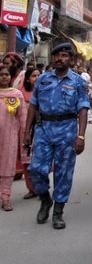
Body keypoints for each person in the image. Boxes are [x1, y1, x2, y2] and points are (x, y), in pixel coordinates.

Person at [23, 43, 89, 229]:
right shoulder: (42, 80)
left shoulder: (77, 82)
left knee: (63, 173)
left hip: (66, 131)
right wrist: (27, 132)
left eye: (64, 55)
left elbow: (83, 110)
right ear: (53, 58)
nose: (60, 58)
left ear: (71, 60)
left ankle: (58, 212)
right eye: (57, 55)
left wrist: (81, 136)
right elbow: (33, 106)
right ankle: (45, 200)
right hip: (43, 130)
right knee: (36, 170)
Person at [0, 64, 27, 211]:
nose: (4, 77)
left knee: (7, 166)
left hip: (9, 136)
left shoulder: (15, 94)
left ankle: (5, 198)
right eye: (1, 74)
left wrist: (25, 136)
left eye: (6, 74)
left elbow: (23, 116)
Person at [20, 67, 41, 199]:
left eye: (39, 75)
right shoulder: (20, 94)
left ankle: (41, 188)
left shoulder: (45, 92)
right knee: (27, 161)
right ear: (28, 78)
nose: (37, 78)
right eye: (34, 76)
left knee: (40, 160)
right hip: (26, 129)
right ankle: (31, 188)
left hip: (41, 129)